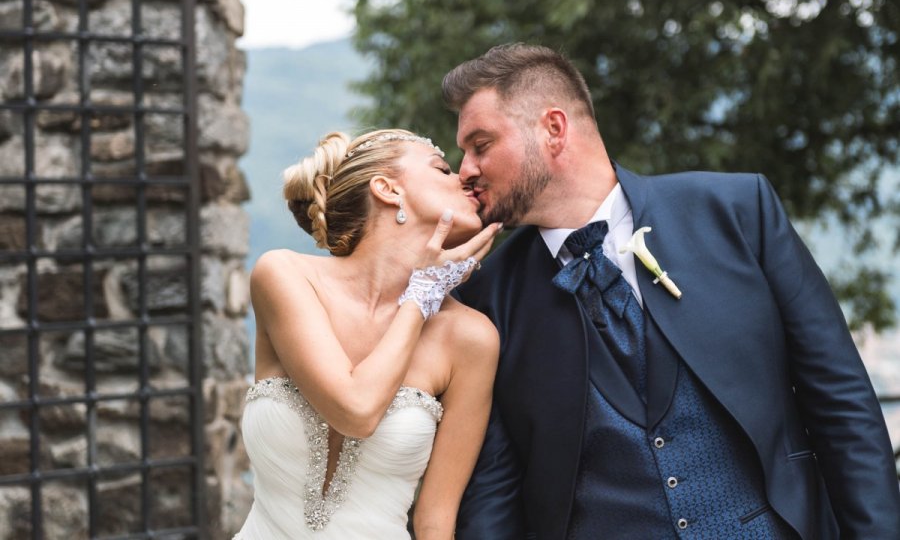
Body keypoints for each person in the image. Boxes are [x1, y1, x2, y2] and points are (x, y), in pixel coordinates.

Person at [444, 44, 900, 539]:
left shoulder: (738, 212)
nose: (464, 168)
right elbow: (493, 492)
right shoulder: (488, 296)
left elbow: (841, 403)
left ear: (553, 129)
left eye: (481, 144)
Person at [234, 129, 502, 540]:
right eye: (443, 168)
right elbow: (355, 409)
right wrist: (422, 294)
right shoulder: (285, 275)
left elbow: (435, 523)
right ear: (387, 189)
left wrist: (425, 294)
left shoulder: (470, 339)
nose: (462, 178)